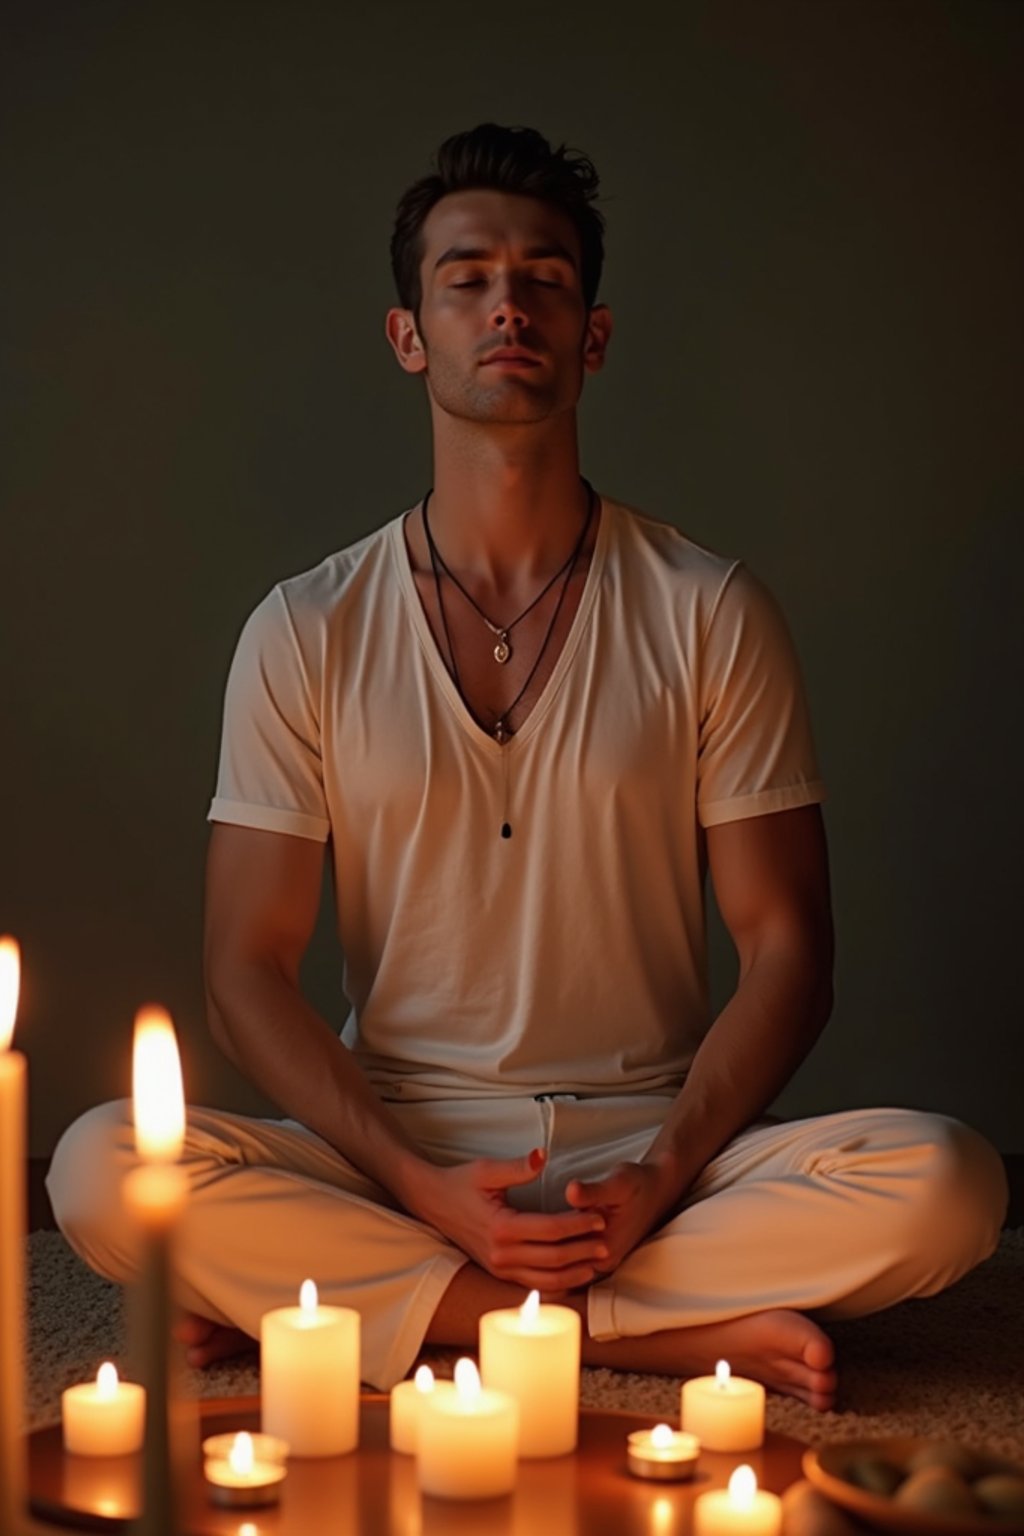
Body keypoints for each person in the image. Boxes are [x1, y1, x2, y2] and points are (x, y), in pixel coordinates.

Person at [48, 123, 1007, 1412]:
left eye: (544, 276)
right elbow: (244, 970)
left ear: (592, 334)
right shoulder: (305, 627)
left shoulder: (711, 609)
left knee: (950, 1185)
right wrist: (417, 1182)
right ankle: (620, 1333)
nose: (508, 301)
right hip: (397, 1144)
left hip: (652, 1146)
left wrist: (664, 1174)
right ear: (409, 334)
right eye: (466, 276)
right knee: (98, 1166)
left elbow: (789, 948)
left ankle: (377, 1308)